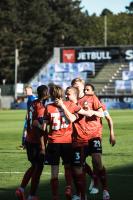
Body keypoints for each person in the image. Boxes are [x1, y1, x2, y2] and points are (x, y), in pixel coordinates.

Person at [42, 84, 94, 200]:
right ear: (62, 94)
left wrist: (37, 124)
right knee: (68, 167)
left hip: (53, 142)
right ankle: (69, 187)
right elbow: (87, 114)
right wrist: (87, 110)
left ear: (51, 95)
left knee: (54, 173)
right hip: (67, 142)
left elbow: (44, 128)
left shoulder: (48, 107)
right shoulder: (70, 104)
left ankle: (55, 196)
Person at [15, 85, 49, 200]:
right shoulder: (40, 107)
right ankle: (32, 195)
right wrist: (43, 146)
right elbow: (38, 127)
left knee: (34, 166)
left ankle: (21, 189)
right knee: (38, 169)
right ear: (46, 94)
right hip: (36, 142)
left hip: (29, 140)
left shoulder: (32, 104)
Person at [84, 83, 116, 195]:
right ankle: (93, 178)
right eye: (84, 90)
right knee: (79, 162)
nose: (85, 91)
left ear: (93, 91)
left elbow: (108, 118)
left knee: (96, 161)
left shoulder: (100, 104)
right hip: (82, 136)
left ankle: (102, 187)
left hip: (95, 135)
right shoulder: (79, 102)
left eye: (87, 90)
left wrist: (112, 133)